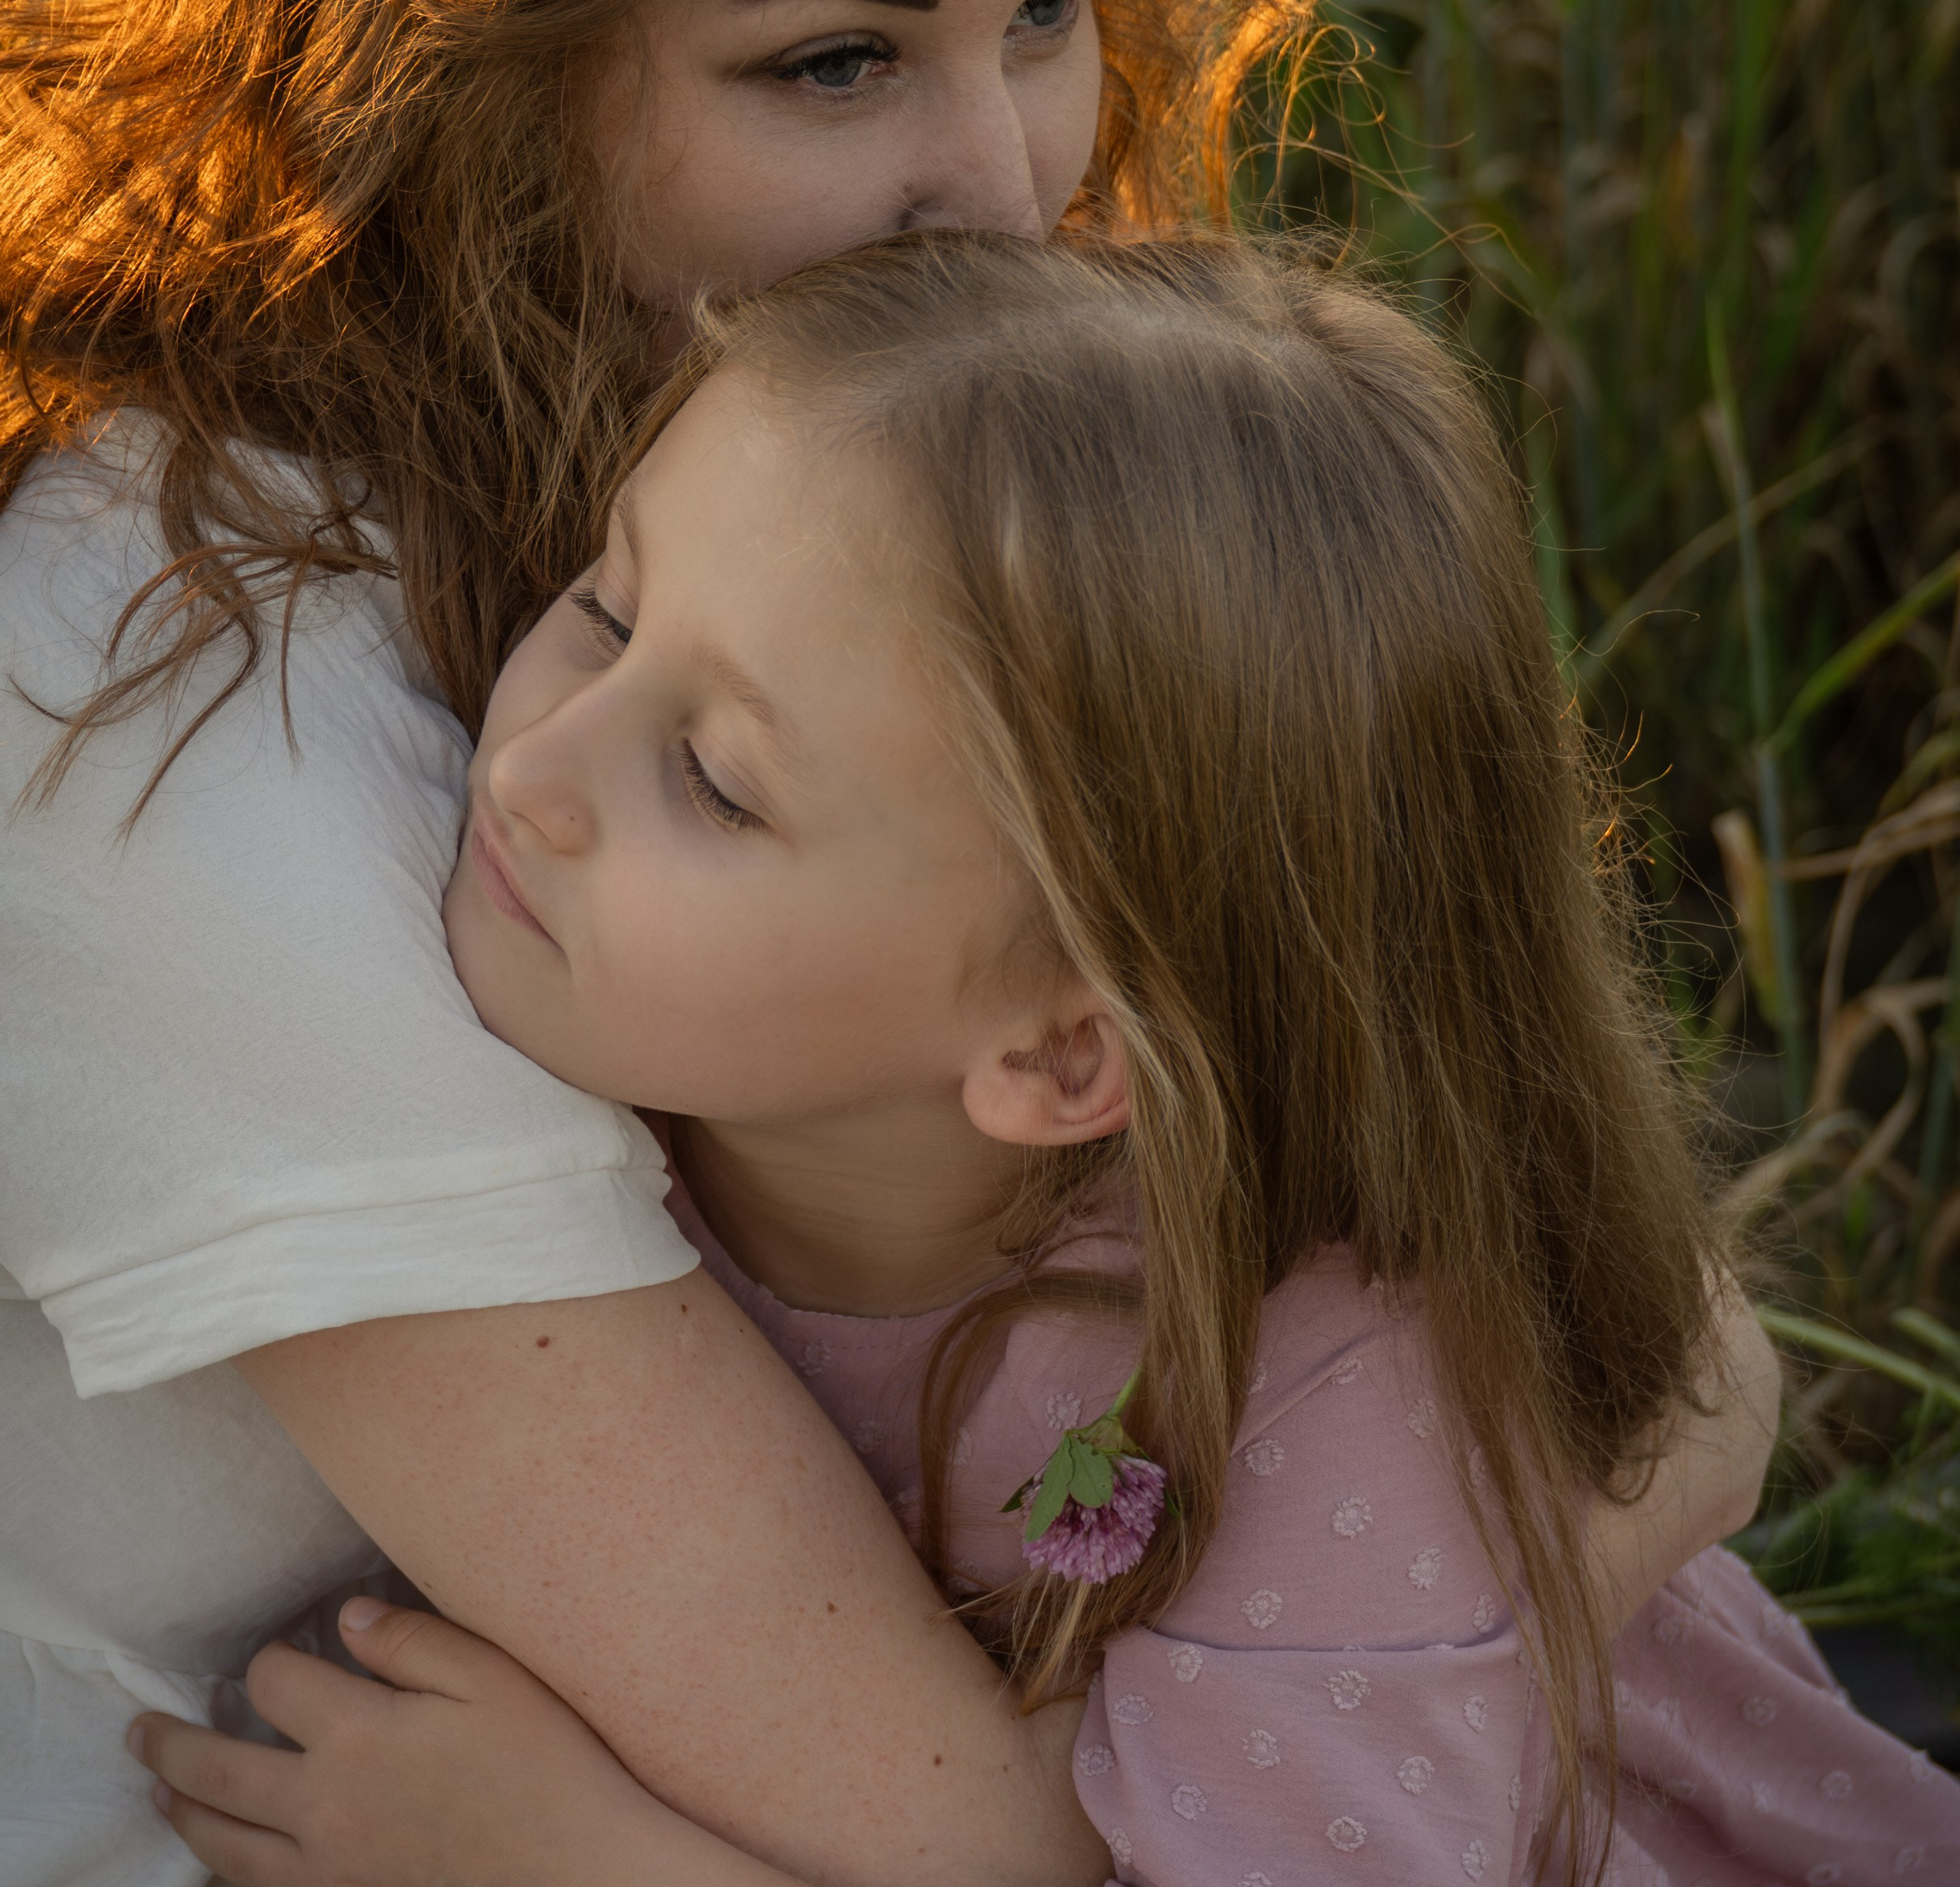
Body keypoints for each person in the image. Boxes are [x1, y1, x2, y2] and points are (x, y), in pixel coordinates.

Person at [130, 232, 1955, 1886]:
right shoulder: (607, 1046)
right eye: (607, 606)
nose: (526, 765)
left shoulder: (1331, 1399)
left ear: (1064, 1047)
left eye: (716, 780)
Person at [0, 0, 1331, 1883]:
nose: (1006, 187)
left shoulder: (755, 466)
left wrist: (1623, 1431)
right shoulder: (163, 700)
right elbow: (1006, 1853)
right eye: (832, 62)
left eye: (1058, 5)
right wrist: (1594, 1484)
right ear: (456, 62)